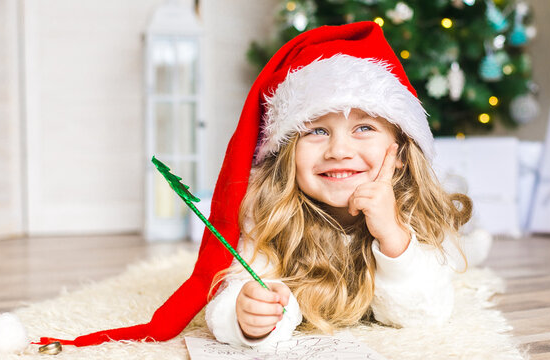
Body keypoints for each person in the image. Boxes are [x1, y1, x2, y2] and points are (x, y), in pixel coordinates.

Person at [34, 21, 487, 349]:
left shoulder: (407, 208)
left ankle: (478, 246)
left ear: (401, 147)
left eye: (365, 128)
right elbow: (234, 287)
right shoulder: (270, 210)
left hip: (403, 225)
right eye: (316, 131)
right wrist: (245, 315)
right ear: (287, 150)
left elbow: (424, 314)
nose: (339, 151)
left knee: (454, 255)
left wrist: (392, 236)